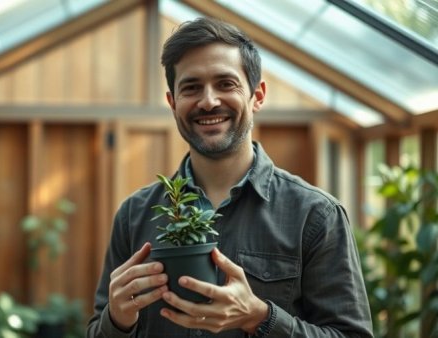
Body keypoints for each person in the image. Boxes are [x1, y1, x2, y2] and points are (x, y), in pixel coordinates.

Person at [86, 17, 373, 338]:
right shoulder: (134, 215)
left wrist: (261, 318)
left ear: (258, 96)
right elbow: (99, 329)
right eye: (191, 87)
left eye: (226, 83)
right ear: (172, 103)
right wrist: (118, 319)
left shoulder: (315, 215)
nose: (208, 101)